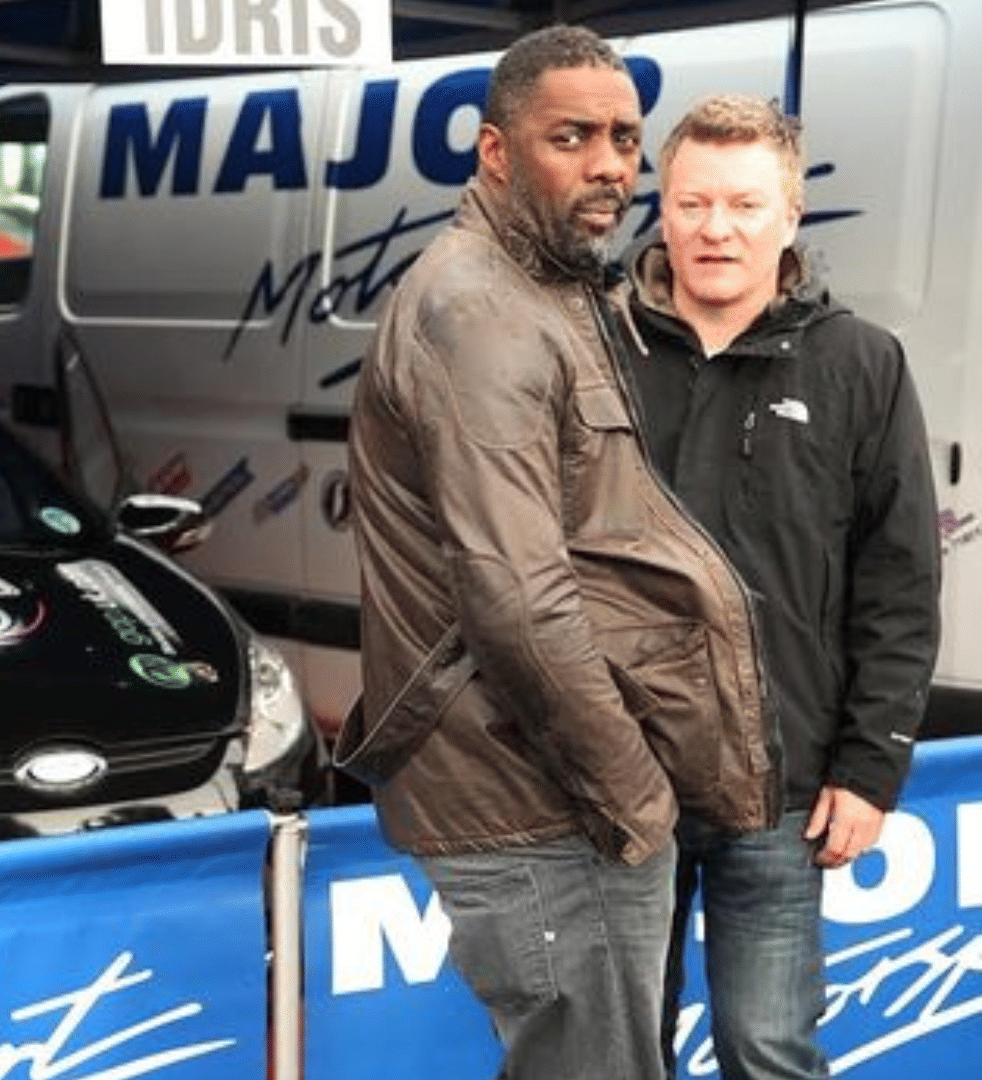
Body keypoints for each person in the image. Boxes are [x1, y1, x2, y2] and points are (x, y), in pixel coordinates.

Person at [339, 25, 781, 1080]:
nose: (610, 165)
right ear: (495, 152)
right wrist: (637, 798)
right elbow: (519, 602)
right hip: (537, 796)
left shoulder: (546, 288)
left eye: (624, 138)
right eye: (571, 137)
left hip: (554, 789)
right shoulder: (480, 311)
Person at [624, 95, 942, 1079]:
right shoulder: (595, 350)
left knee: (767, 1050)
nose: (715, 229)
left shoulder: (860, 363)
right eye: (693, 203)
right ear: (663, 209)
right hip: (616, 782)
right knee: (611, 1055)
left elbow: (899, 581)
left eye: (745, 205)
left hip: (782, 787)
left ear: (792, 216)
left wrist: (870, 768)